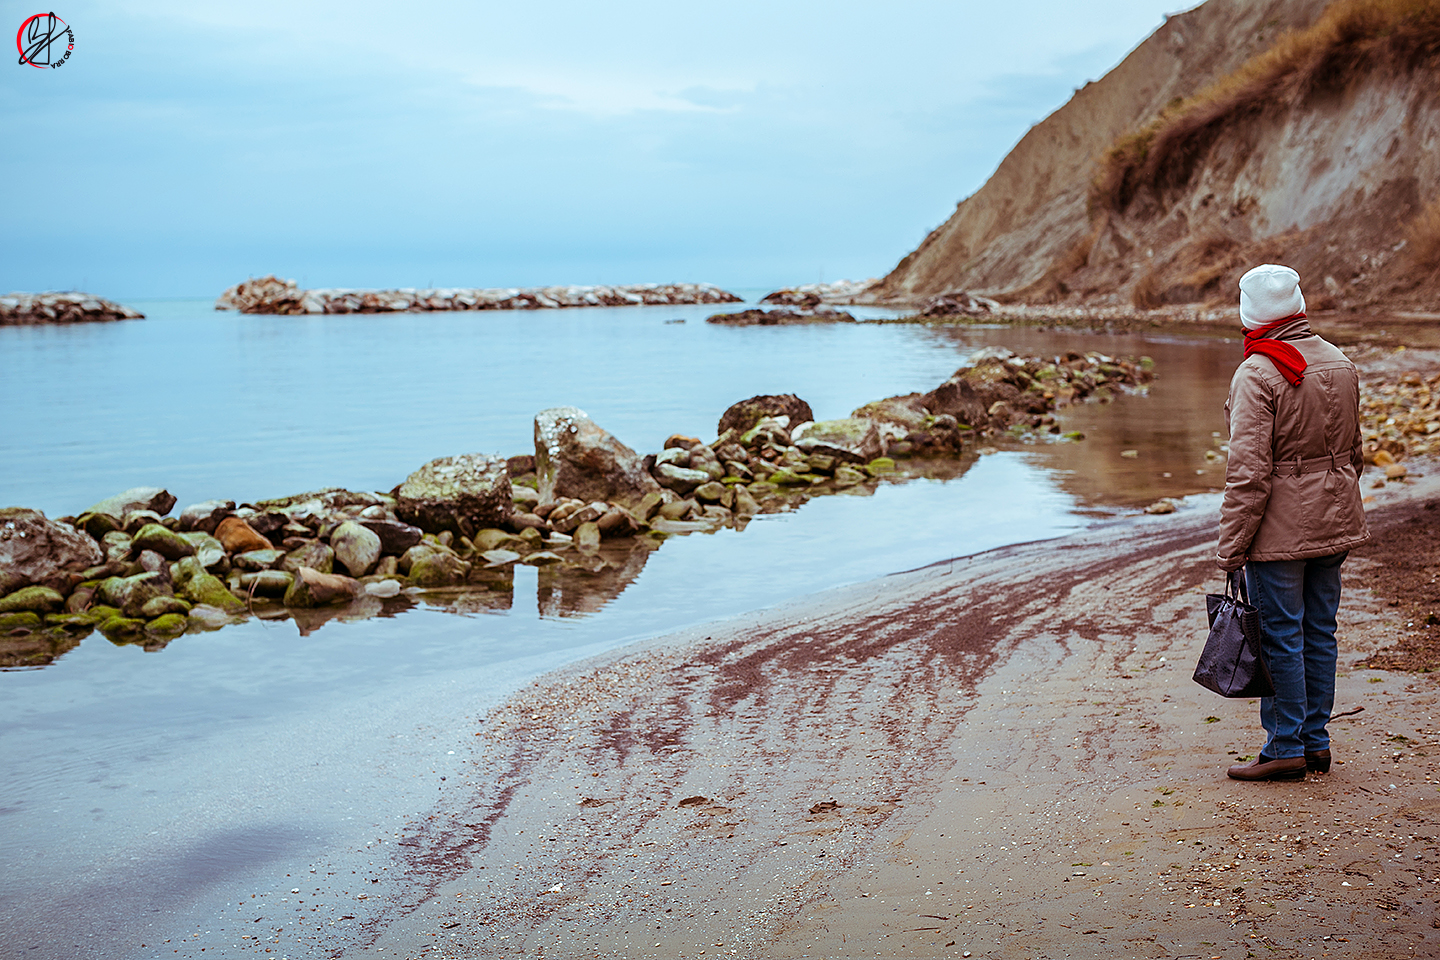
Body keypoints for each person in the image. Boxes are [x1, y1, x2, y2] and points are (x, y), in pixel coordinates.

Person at [1216, 263, 1369, 782]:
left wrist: (1231, 547)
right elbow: (1354, 453)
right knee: (1320, 631)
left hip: (1280, 531)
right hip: (1336, 519)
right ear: (1299, 306)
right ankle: (1315, 743)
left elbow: (1249, 474)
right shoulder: (1341, 362)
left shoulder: (1257, 373)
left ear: (1249, 313)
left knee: (1281, 635)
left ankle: (1284, 747)